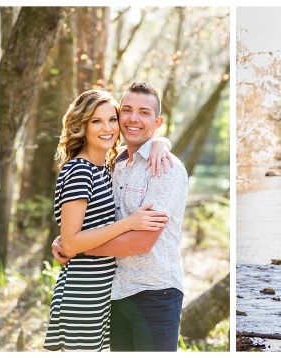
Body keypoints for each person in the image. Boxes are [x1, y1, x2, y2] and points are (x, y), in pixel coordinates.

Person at [52, 82, 188, 351]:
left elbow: (141, 242)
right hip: (113, 294)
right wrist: (68, 240)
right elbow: (90, 220)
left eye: (144, 112)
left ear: (157, 121)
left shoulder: (165, 168)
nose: (133, 118)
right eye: (125, 110)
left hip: (154, 293)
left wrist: (76, 247)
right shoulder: (113, 165)